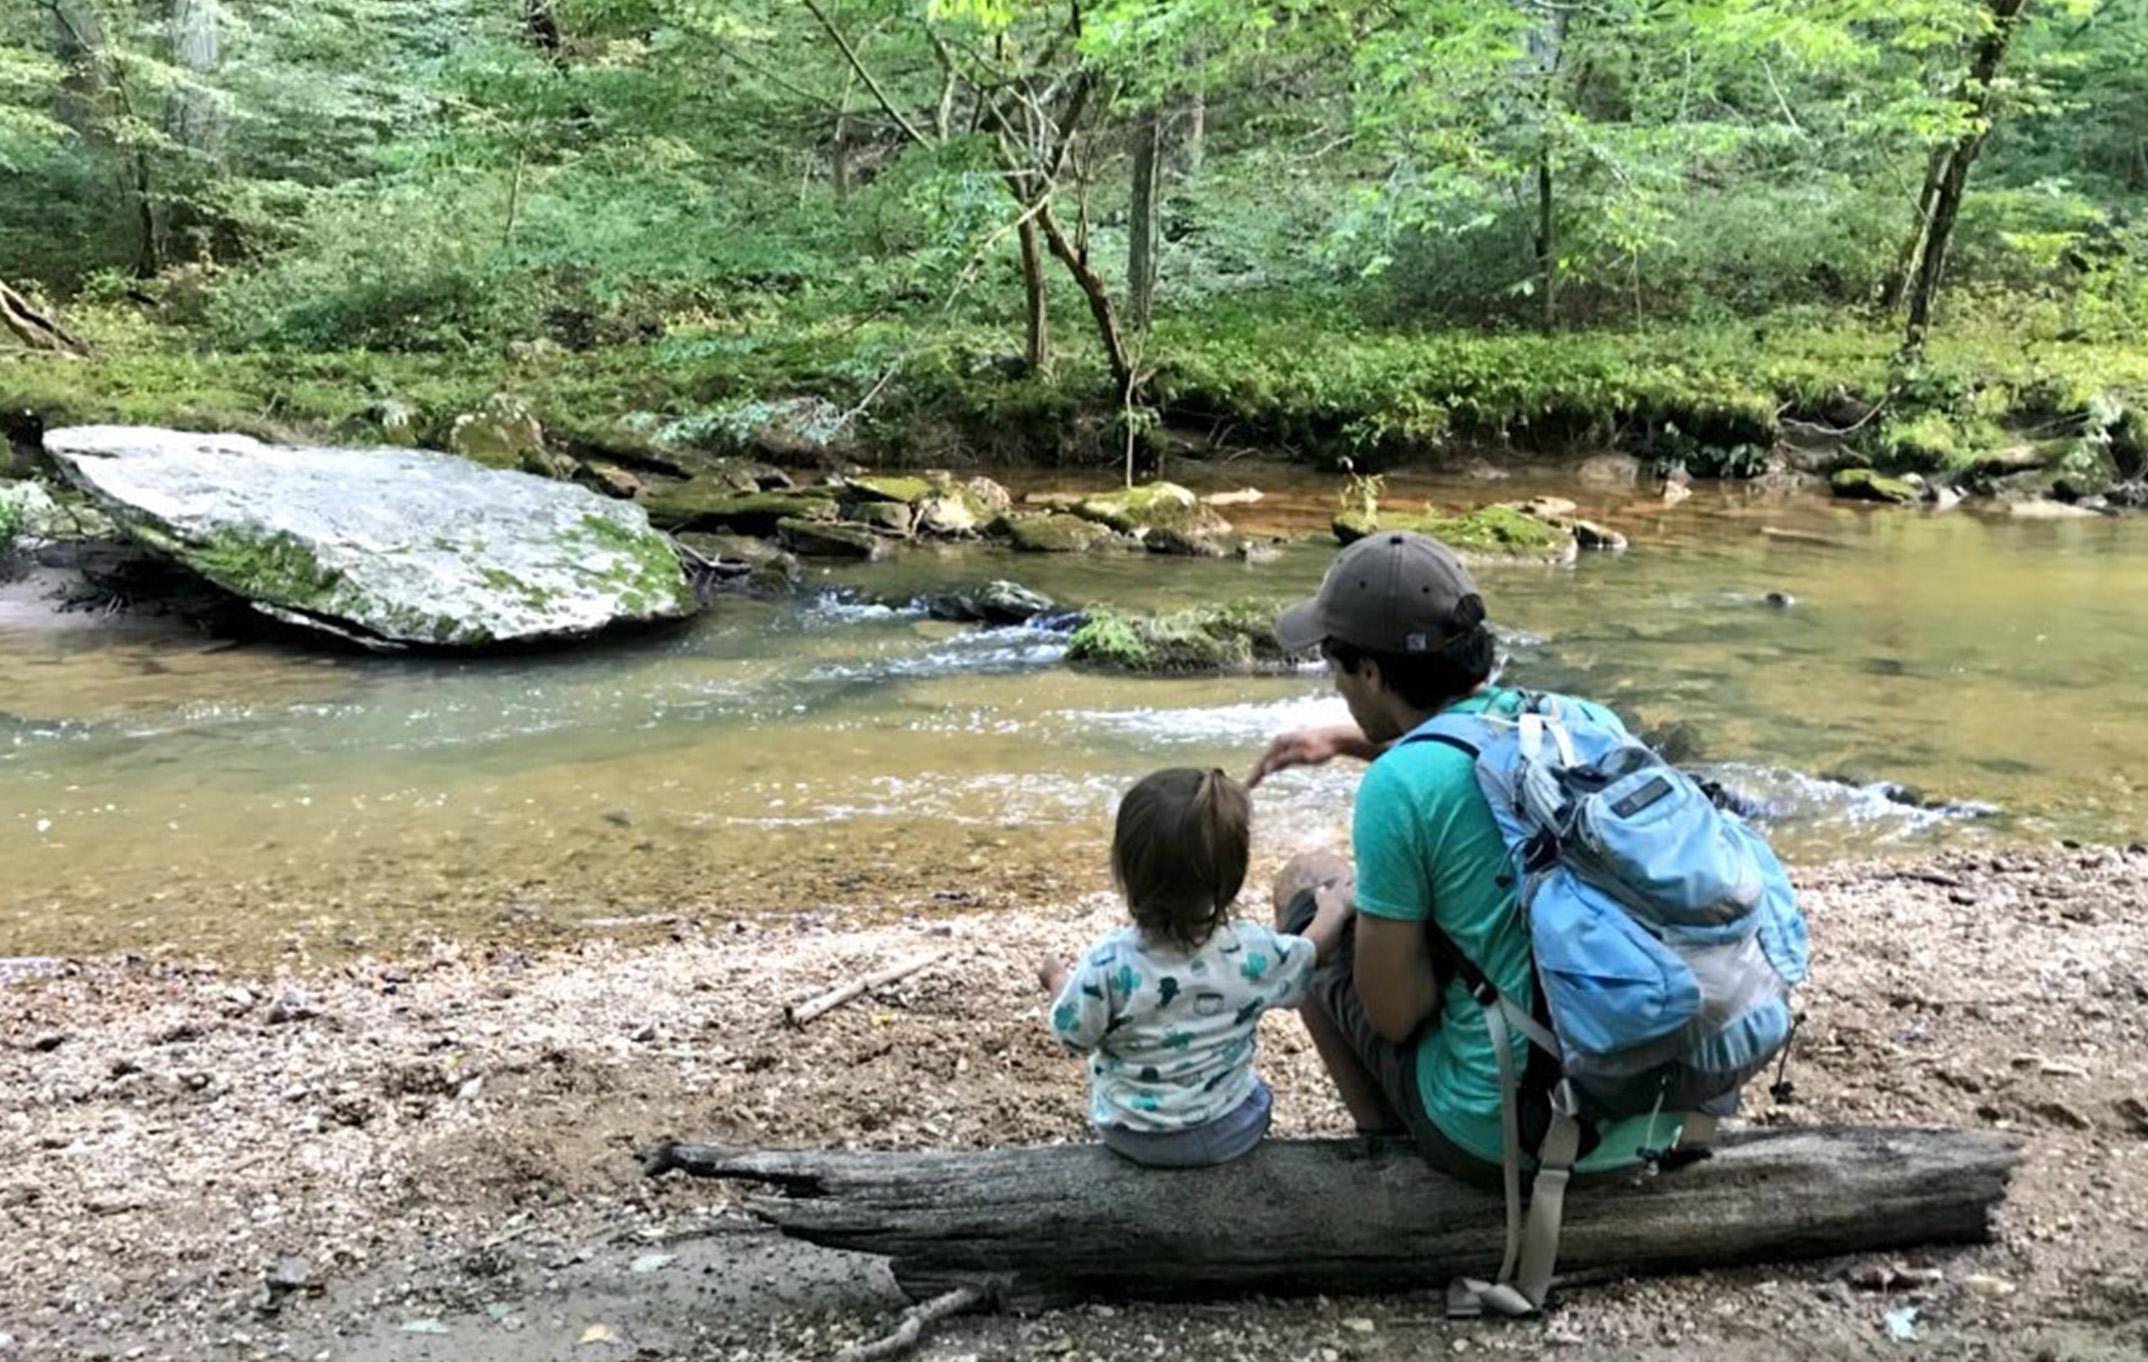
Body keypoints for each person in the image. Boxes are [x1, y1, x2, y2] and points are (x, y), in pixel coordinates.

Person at [1248, 531, 1673, 1185]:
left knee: (1308, 882)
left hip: (1499, 1135)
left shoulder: (1399, 788)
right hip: (1649, 1111)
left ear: (1370, 672)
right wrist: (1347, 741)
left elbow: (1395, 1013)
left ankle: (1387, 1148)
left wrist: (1352, 908)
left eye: (1337, 668)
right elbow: (1478, 758)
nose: (1339, 689)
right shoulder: (1579, 719)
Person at [1038, 766, 1351, 1167]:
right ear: (1233, 877)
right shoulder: (1251, 950)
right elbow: (1308, 952)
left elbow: (1073, 1034)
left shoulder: (1108, 964)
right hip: (1231, 1131)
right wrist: (1334, 910)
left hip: (1133, 1135)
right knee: (1259, 1094)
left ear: (1126, 870)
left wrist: (1057, 980)